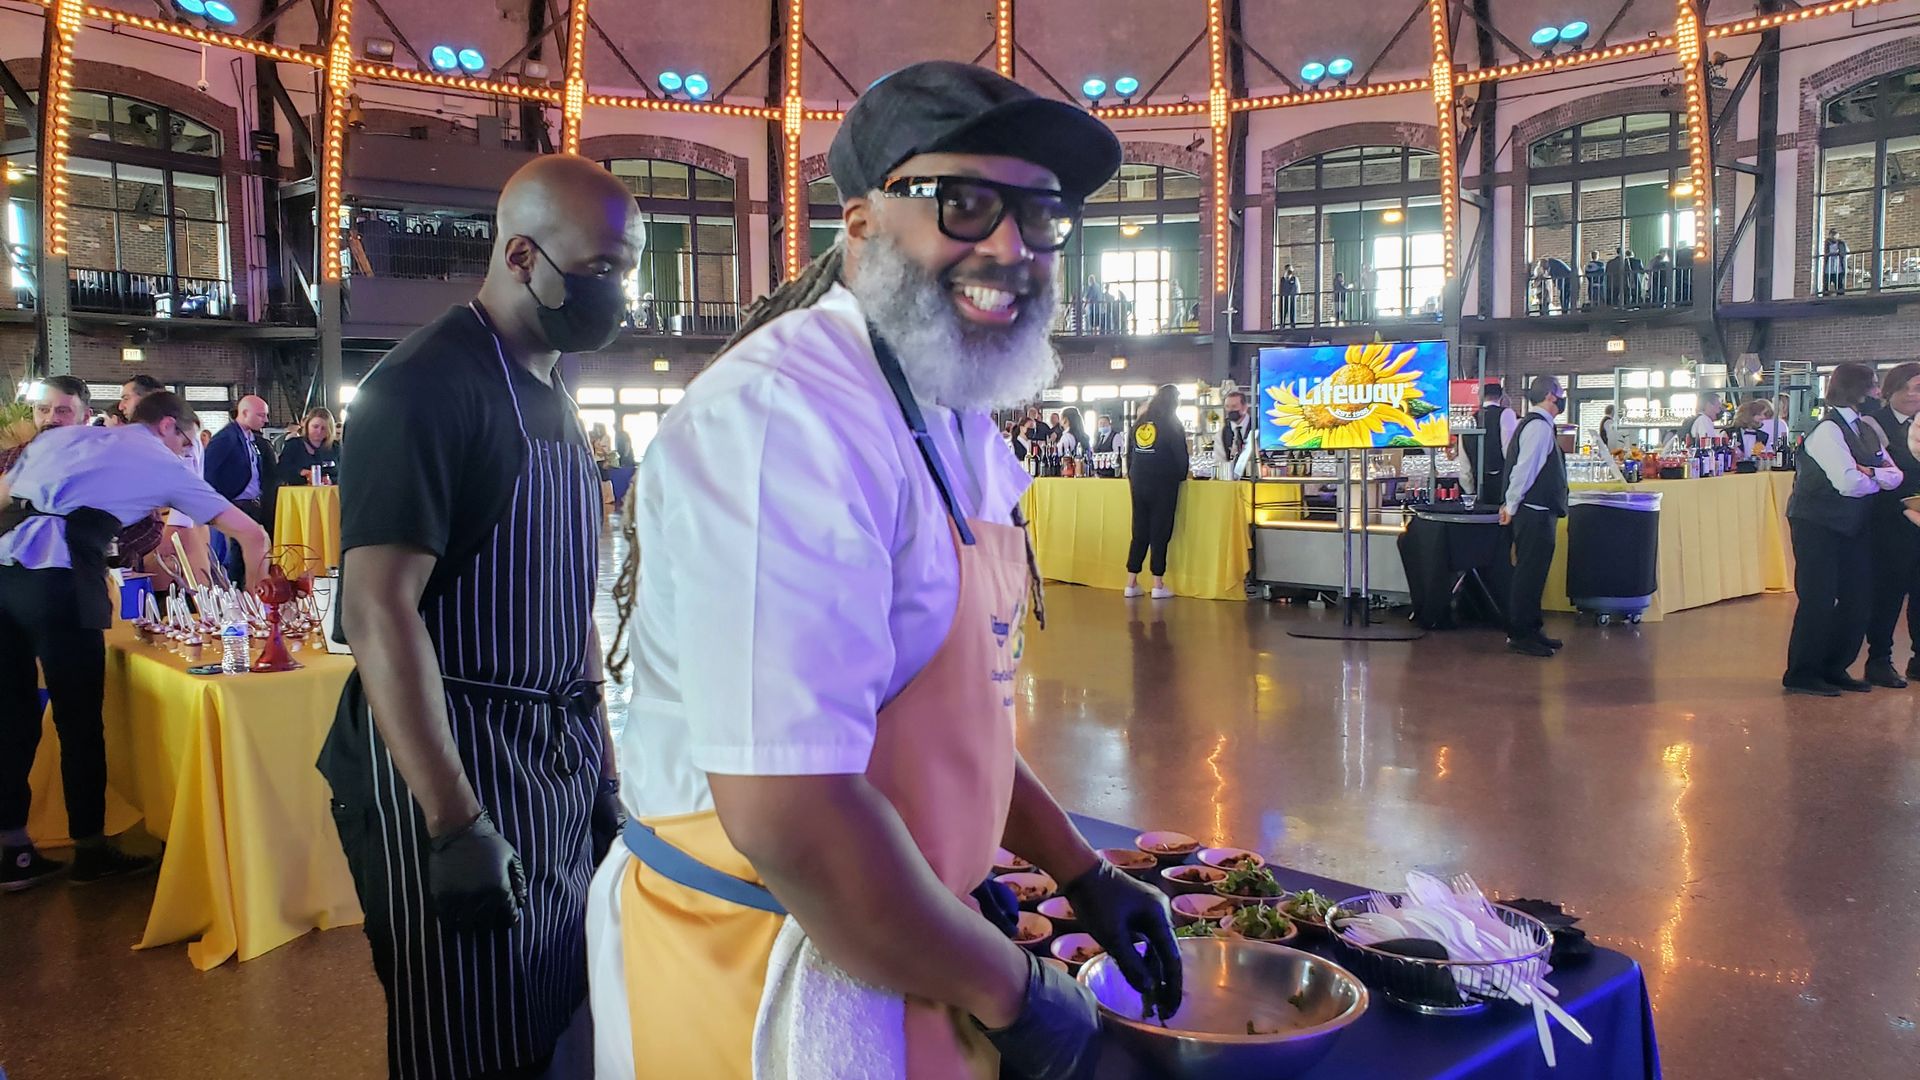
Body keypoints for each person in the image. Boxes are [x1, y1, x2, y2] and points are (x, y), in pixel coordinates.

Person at [587, 61, 1178, 1080]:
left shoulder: (952, 412)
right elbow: (794, 814)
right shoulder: (788, 421)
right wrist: (1010, 988)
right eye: (964, 203)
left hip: (910, 943)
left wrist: (1079, 868)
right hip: (770, 978)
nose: (1010, 245)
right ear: (859, 224)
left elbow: (953, 716)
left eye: (1039, 214)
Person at [315, 154, 642, 1080]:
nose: (618, 290)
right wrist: (454, 824)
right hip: (447, 762)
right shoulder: (423, 385)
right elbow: (378, 611)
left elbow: (569, 601)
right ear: (521, 252)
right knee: (463, 1038)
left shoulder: (554, 392)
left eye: (628, 269)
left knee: (549, 1008)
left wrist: (601, 776)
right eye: (603, 268)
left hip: (549, 758)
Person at [1, 390, 268, 890]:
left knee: (9, 714)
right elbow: (251, 536)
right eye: (186, 441)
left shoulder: (72, 437)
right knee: (78, 719)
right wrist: (252, 614)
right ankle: (90, 849)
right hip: (58, 582)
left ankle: (13, 849)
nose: (186, 452)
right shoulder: (161, 462)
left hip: (2, 572)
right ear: (168, 425)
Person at [1783, 362, 1901, 695]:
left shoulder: (1866, 428)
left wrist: (1870, 475)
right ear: (1856, 390)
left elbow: (1895, 476)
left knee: (1857, 600)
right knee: (1818, 599)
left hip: (1853, 524)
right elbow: (1847, 483)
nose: (1878, 393)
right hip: (1816, 523)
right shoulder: (1827, 431)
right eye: (1873, 386)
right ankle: (1802, 673)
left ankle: (1834, 666)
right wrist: (1872, 477)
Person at [1501, 376, 1568, 658]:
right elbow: (1524, 470)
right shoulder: (1539, 428)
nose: (1564, 398)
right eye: (1562, 393)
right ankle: (1520, 633)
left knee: (1535, 573)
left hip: (1536, 511)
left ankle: (1532, 628)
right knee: (1529, 574)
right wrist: (1511, 505)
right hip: (1534, 512)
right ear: (1552, 396)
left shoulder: (1533, 425)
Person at [1863, 363, 1920, 687]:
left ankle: (1919, 658)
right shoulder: (1874, 424)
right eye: (1906, 388)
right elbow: (1877, 470)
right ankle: (1879, 660)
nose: (1913, 395)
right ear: (1890, 390)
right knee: (1888, 594)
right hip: (1888, 521)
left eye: (1919, 388)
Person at [204, 394, 278, 585]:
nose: (266, 420)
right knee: (240, 553)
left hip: (252, 502)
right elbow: (208, 471)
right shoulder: (226, 438)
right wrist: (219, 502)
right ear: (244, 413)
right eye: (261, 415)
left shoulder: (251, 438)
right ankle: (239, 593)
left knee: (253, 549)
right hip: (236, 502)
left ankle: (252, 591)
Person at [1125, 384, 1189, 600]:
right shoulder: (1171, 423)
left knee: (1139, 530)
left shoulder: (1140, 422)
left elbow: (1129, 454)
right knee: (1160, 531)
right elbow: (1181, 455)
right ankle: (1157, 583)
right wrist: (1181, 475)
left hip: (1138, 480)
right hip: (1163, 482)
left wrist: (1132, 475)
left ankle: (1131, 582)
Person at [1, 376, 92, 476]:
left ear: (85, 417)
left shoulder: (96, 462)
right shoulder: (9, 460)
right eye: (43, 409)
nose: (51, 419)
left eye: (63, 411)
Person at [1466, 381, 1518, 500]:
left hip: (1476, 480)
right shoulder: (1506, 413)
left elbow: (1465, 460)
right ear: (1502, 396)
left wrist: (1469, 490)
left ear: (1480, 396)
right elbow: (1508, 450)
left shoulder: (1470, 419)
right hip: (1499, 482)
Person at [277, 407, 339, 486]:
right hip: (299, 494)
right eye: (315, 426)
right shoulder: (293, 445)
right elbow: (282, 470)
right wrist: (301, 472)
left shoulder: (335, 447)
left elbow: (344, 473)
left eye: (323, 428)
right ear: (307, 425)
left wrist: (331, 480)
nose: (319, 431)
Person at [1729, 399, 1776, 467]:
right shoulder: (1729, 433)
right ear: (1749, 415)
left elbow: (1769, 456)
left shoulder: (1763, 436)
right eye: (1760, 414)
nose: (1763, 417)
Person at [1219, 389, 1253, 475]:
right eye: (1227, 406)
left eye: (1234, 406)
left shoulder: (1257, 427)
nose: (1230, 410)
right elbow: (1220, 460)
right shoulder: (1223, 433)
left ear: (1245, 407)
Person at [1056, 405, 1091, 473]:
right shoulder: (1082, 435)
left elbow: (1060, 454)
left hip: (1070, 470)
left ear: (1065, 419)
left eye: (1060, 417)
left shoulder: (1067, 436)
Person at [1092, 411, 1122, 476]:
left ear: (1109, 424)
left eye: (1104, 423)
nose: (1102, 425)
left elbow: (1118, 455)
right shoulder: (1097, 437)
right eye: (1100, 423)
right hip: (1099, 471)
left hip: (1111, 472)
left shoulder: (1116, 436)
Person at [1823, 229, 1849, 296]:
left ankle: (1840, 299)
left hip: (1839, 268)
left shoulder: (1841, 243)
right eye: (1833, 234)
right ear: (1830, 235)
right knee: (1826, 287)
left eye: (1835, 234)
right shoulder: (1826, 243)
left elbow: (1847, 254)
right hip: (1828, 269)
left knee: (1839, 286)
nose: (1834, 236)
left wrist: (1841, 255)